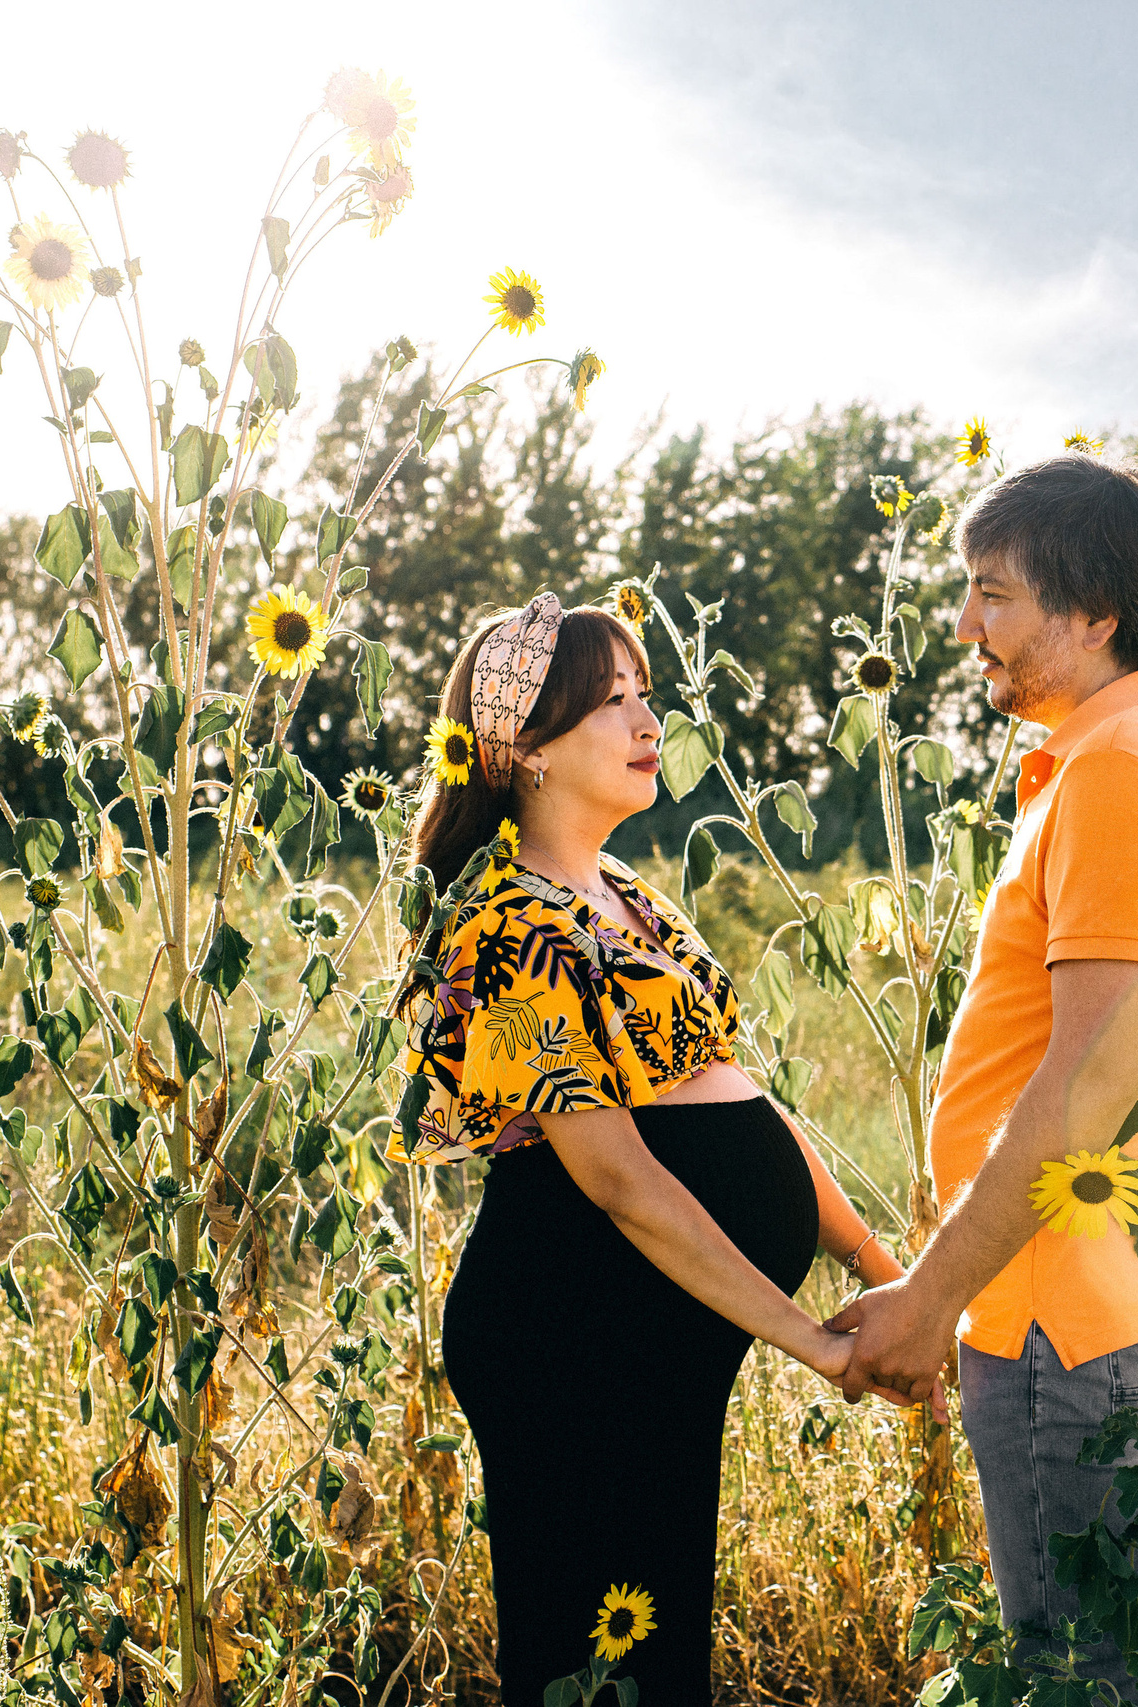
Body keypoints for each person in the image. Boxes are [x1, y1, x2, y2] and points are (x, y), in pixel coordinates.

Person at [392, 593, 913, 1704]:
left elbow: (749, 1109)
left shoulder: (632, 900)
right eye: (609, 702)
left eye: (645, 694)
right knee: (591, 1663)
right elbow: (620, 1182)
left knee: (656, 1646)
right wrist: (810, 1343)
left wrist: (886, 1277)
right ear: (522, 749)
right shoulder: (506, 925)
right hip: (570, 1330)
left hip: (661, 1333)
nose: (647, 721)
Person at [831, 455, 1138, 1696]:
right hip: (1131, 1291)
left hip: (1063, 1321)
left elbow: (1088, 1083)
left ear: (1093, 614)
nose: (965, 626)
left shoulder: (1121, 772)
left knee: (1077, 1674)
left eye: (994, 595)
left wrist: (928, 1299)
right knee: (1135, 1659)